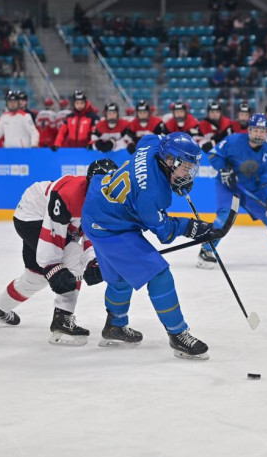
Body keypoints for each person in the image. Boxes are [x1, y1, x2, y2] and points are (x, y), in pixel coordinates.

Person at [81, 132, 219, 359]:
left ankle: (115, 326)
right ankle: (178, 334)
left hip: (97, 208)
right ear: (169, 161)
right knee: (159, 275)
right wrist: (194, 228)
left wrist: (173, 179)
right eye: (184, 167)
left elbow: (149, 137)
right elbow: (164, 232)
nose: (188, 172)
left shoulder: (152, 146)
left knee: (121, 277)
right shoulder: (153, 194)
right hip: (110, 226)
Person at [0, 160, 116, 345]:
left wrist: (93, 261)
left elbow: (91, 233)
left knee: (36, 277)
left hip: (48, 219)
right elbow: (51, 236)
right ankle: (62, 320)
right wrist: (54, 267)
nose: (104, 189)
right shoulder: (68, 195)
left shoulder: (107, 198)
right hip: (32, 216)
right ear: (89, 181)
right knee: (72, 259)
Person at [199, 113, 267, 268]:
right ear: (249, 130)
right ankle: (206, 251)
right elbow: (214, 154)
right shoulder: (233, 140)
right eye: (255, 130)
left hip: (251, 189)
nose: (258, 134)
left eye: (262, 131)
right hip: (229, 186)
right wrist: (224, 169)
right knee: (225, 217)